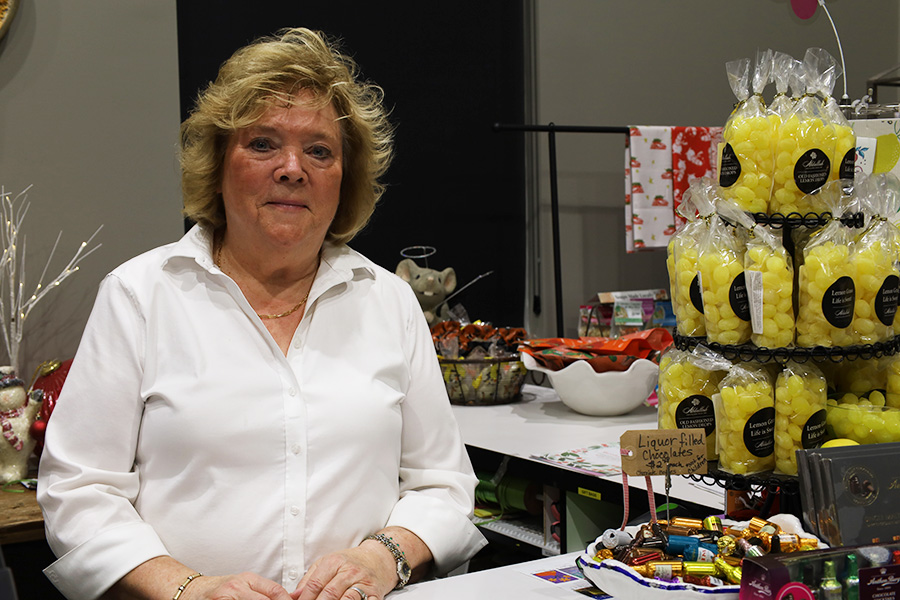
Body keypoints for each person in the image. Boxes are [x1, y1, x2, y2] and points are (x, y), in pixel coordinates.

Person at [37, 27, 486, 600]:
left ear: (343, 178)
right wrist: (188, 589)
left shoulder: (386, 299)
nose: (293, 168)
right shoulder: (140, 295)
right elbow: (78, 492)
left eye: (319, 151)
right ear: (218, 163)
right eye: (263, 143)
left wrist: (383, 558)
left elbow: (443, 484)